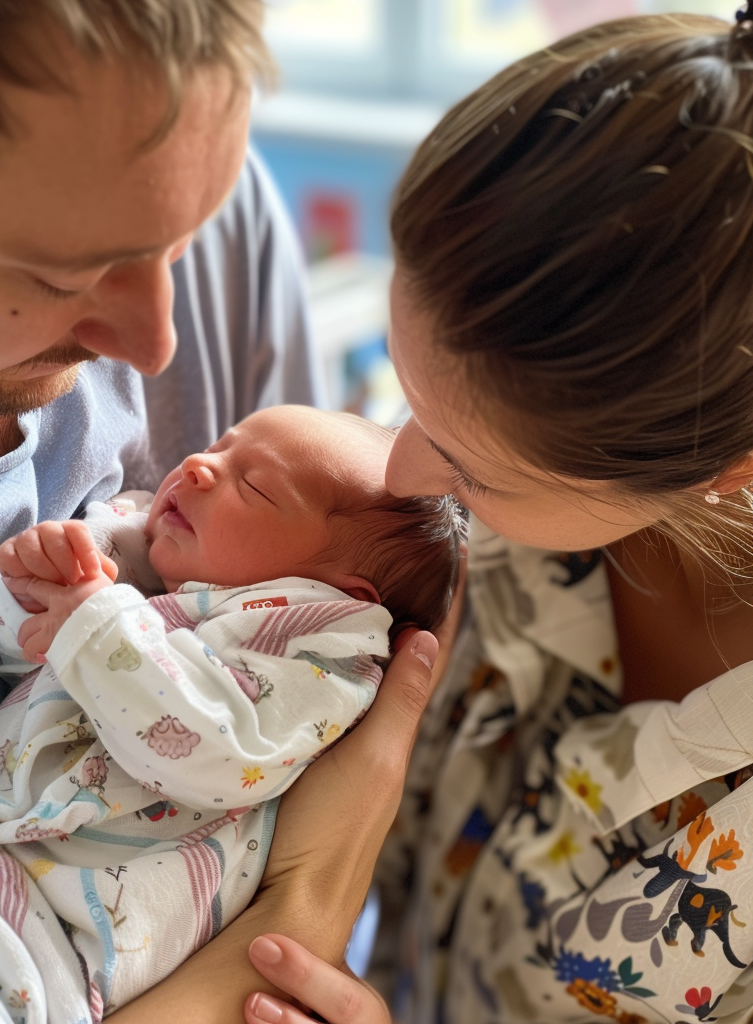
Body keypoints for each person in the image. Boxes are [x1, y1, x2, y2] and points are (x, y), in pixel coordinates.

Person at [0, 4, 447, 1022]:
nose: (158, 345)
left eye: (180, 237)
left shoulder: (190, 200)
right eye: (63, 273)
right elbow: (312, 887)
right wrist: (286, 923)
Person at [242, 10, 753, 1024]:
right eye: (406, 397)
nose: (399, 465)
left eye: (471, 468)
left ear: (720, 469)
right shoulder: (524, 531)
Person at [0, 404, 462, 1023]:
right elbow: (39, 671)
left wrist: (95, 620)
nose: (201, 466)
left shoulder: (323, 648)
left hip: (90, 930)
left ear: (338, 592)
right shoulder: (158, 592)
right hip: (21, 887)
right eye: (220, 446)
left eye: (255, 487)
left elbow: (214, 741)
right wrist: (46, 587)